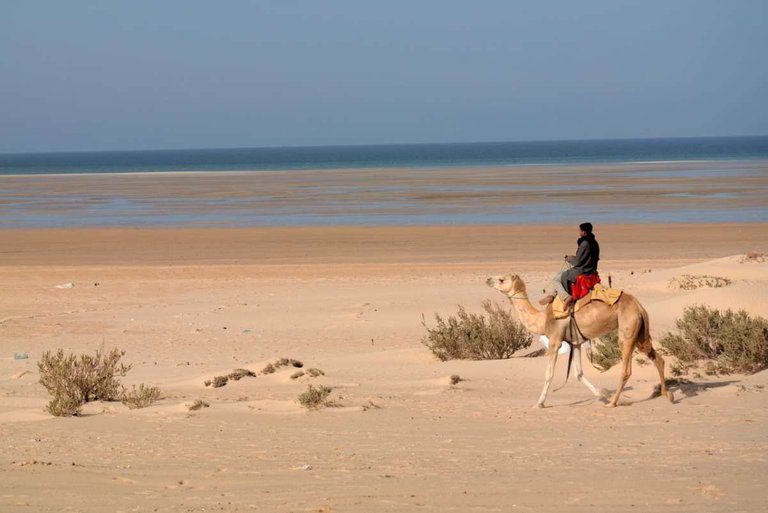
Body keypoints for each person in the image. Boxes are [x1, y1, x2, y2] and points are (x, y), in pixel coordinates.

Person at [540, 222, 600, 308]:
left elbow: (578, 262)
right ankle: (552, 296)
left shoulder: (585, 244)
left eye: (580, 230)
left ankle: (566, 297)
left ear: (584, 232)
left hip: (584, 271)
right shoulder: (594, 242)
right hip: (590, 269)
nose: (579, 232)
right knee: (559, 274)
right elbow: (584, 258)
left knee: (556, 279)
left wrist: (570, 259)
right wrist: (573, 257)